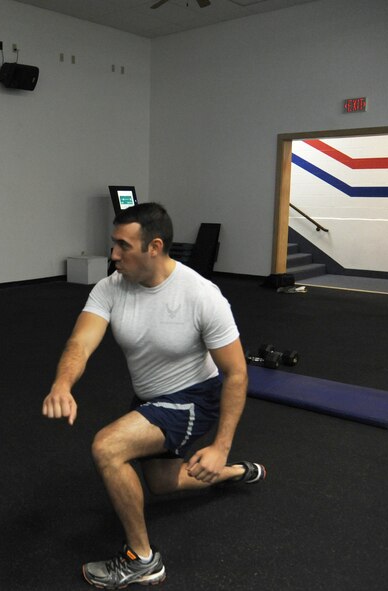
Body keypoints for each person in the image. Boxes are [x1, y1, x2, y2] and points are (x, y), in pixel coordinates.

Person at [41, 203, 265, 589]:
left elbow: (236, 372)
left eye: (123, 246)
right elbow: (81, 341)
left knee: (108, 447)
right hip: (150, 398)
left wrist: (220, 446)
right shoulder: (110, 287)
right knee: (163, 484)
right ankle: (238, 473)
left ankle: (142, 560)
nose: (113, 255)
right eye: (113, 244)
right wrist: (62, 385)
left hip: (195, 397)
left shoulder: (201, 295)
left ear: (155, 247)